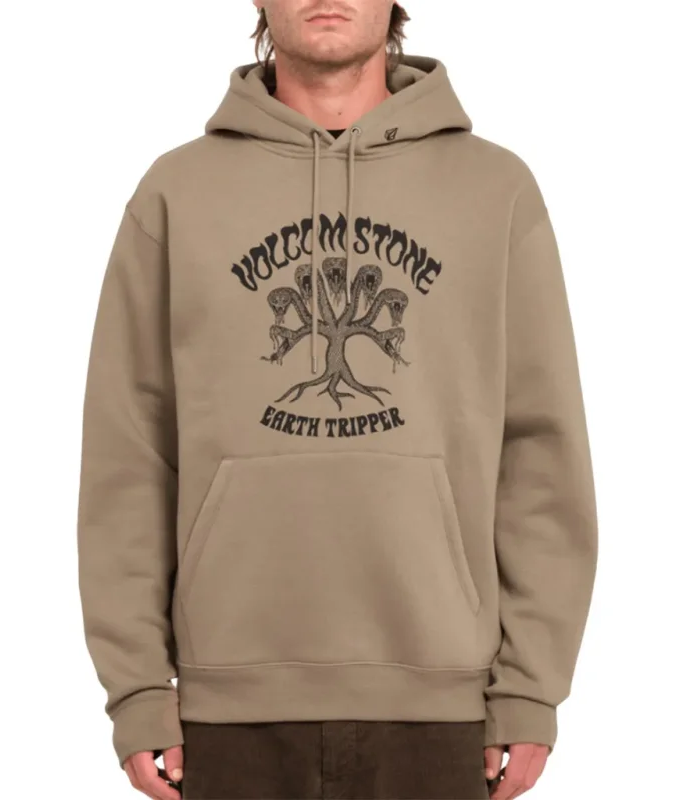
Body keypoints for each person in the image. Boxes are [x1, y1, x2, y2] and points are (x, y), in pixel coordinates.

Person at [76, 2, 599, 798]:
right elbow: (129, 453)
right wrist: (138, 687)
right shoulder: (176, 193)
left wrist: (531, 686)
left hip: (445, 709)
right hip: (224, 711)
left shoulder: (496, 192)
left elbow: (542, 452)